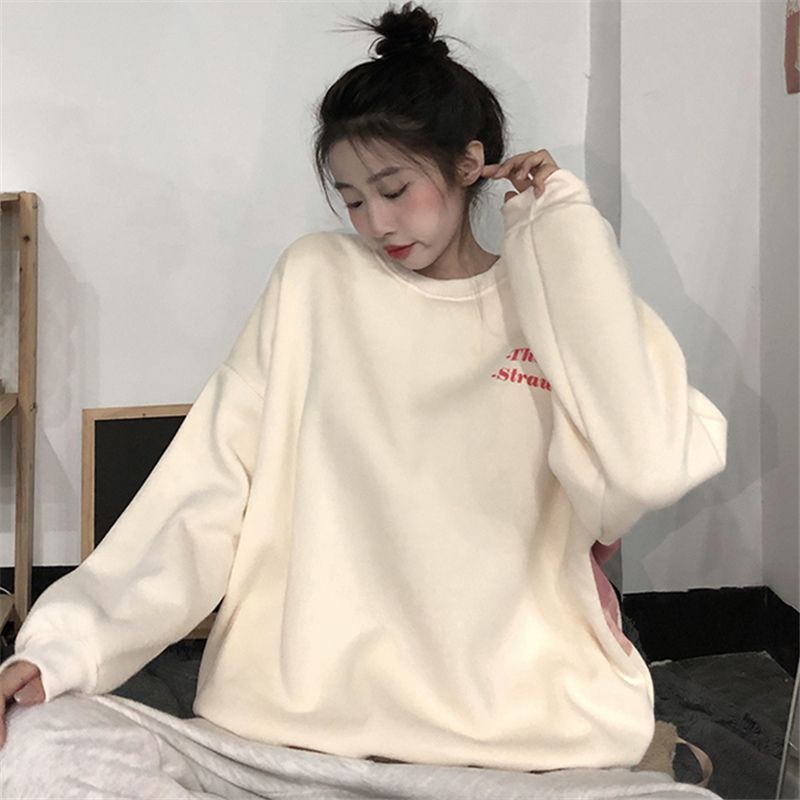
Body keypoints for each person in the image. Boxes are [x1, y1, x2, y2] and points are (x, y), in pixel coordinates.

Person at [0, 2, 728, 798]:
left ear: (469, 163)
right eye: (352, 199)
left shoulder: (550, 298)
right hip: (287, 749)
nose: (377, 223)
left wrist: (562, 230)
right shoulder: (316, 280)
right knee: (32, 748)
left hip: (520, 759)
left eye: (394, 189)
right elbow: (205, 492)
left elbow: (644, 466)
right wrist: (62, 648)